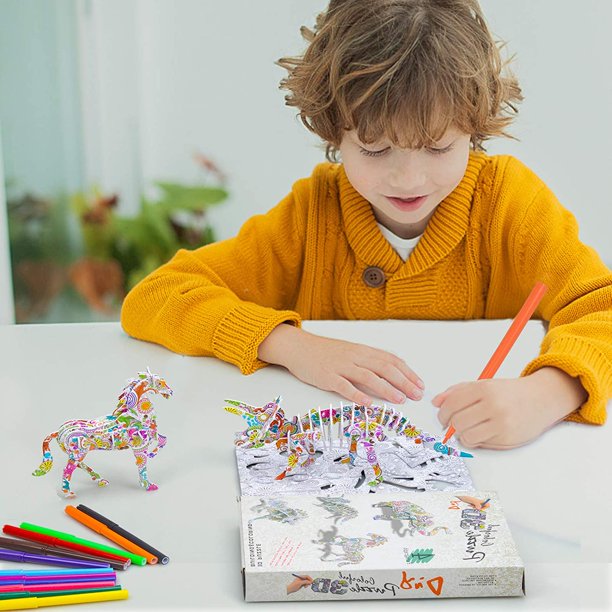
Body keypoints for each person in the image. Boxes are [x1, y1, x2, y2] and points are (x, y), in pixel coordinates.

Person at [121, 0, 611, 450]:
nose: (408, 178)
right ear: (334, 132)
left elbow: (601, 310)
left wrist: (547, 394)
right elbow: (158, 295)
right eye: (375, 150)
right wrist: (291, 345)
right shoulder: (314, 214)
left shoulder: (509, 203)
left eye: (439, 147)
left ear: (474, 126)